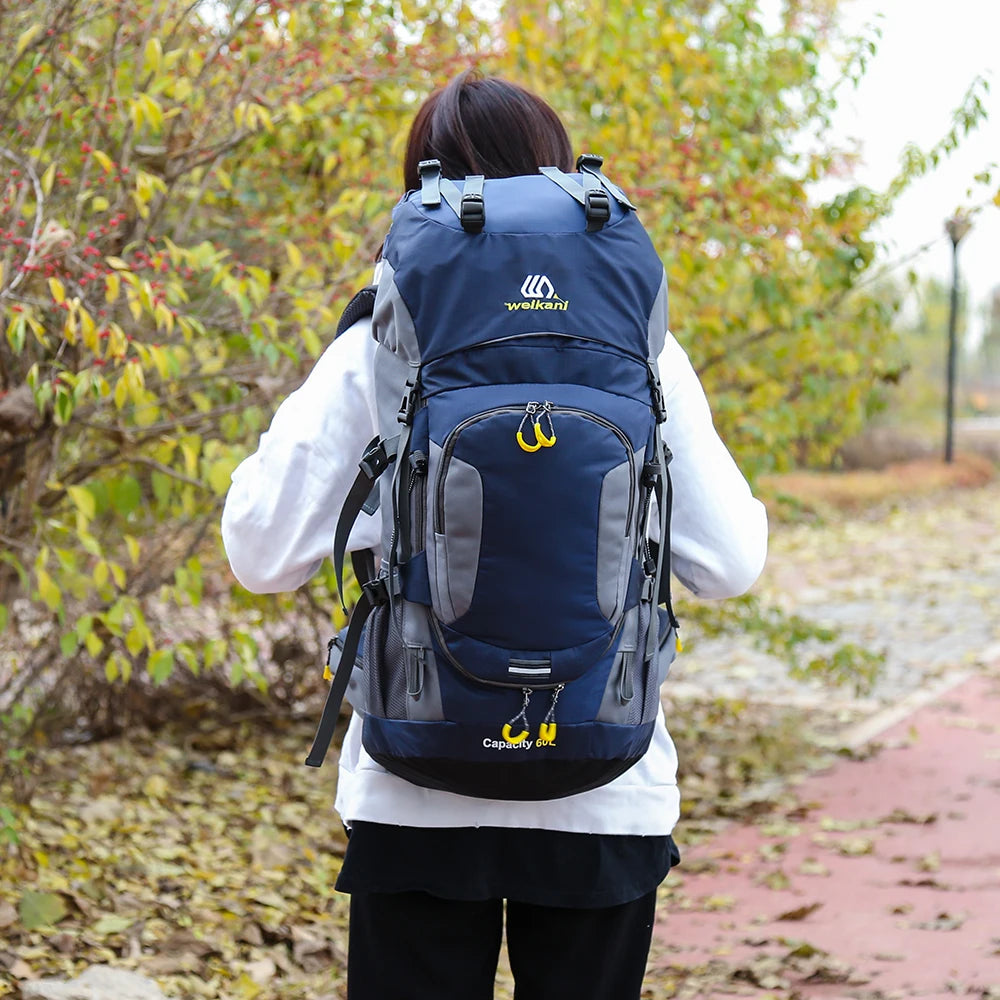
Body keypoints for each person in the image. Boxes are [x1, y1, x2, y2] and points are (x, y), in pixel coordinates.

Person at [221, 70, 767, 1000]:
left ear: (424, 191)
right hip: (605, 778)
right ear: (562, 180)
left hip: (415, 780)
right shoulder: (641, 349)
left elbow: (261, 554)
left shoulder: (380, 345)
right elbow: (730, 563)